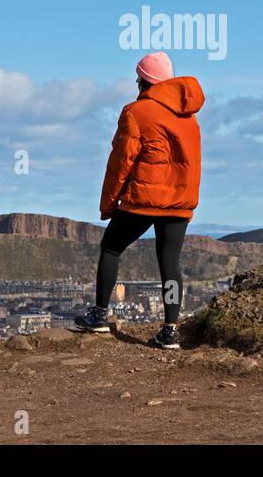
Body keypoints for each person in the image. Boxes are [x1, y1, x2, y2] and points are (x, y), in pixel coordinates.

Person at [74, 51, 204, 349]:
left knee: (111, 248)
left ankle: (99, 315)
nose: (135, 81)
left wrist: (109, 203)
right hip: (179, 202)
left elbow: (120, 163)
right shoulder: (189, 117)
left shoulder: (136, 112)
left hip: (143, 200)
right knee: (170, 263)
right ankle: (170, 331)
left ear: (145, 81)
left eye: (138, 77)